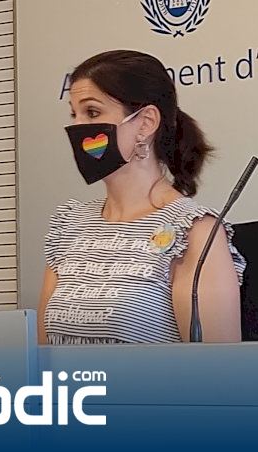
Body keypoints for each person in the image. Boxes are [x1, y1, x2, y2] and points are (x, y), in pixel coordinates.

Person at [38, 50, 246, 345]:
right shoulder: (69, 223)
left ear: (146, 123)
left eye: (92, 112)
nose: (76, 127)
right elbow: (43, 353)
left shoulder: (194, 231)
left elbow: (218, 367)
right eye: (74, 114)